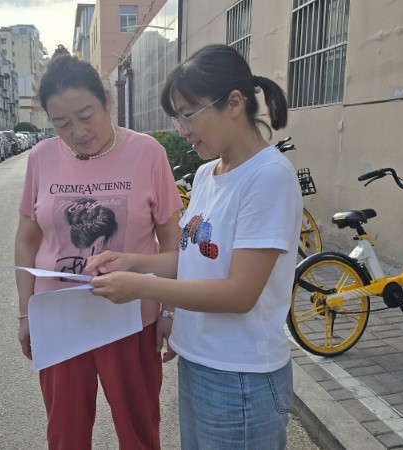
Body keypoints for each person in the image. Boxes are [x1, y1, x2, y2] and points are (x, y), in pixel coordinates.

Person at [86, 44, 302, 449]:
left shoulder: (269, 176)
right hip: (198, 362)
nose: (182, 129)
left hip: (242, 377)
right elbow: (192, 260)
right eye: (176, 117)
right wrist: (131, 262)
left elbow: (239, 294)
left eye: (188, 114)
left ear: (234, 103)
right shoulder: (207, 175)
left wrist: (140, 287)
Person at [13, 45, 183, 450]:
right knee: (65, 434)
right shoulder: (41, 158)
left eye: (86, 116)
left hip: (131, 316)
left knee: (139, 431)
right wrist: (25, 313)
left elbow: (171, 238)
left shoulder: (148, 153)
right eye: (61, 123)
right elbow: (26, 239)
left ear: (107, 100)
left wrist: (169, 309)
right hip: (59, 317)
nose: (77, 132)